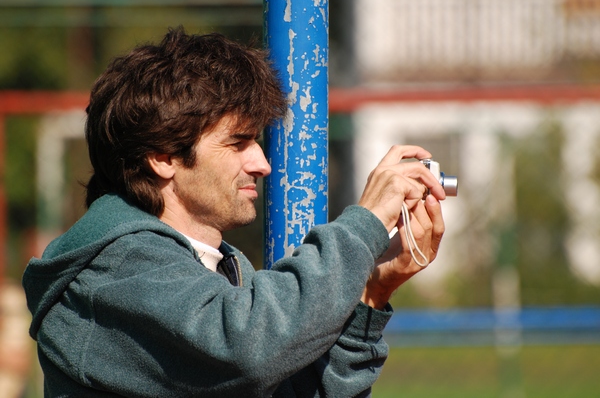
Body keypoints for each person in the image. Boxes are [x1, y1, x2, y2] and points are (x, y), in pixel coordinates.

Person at [22, 27, 446, 397]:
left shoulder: (221, 269)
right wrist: (365, 224)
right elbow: (247, 348)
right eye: (238, 142)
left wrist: (370, 293)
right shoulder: (116, 269)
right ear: (163, 156)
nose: (262, 164)